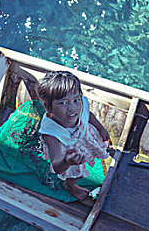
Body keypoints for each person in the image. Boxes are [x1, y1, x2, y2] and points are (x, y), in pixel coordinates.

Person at [38, 71, 111, 200]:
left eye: (76, 100)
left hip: (84, 138)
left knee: (88, 158)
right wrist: (67, 161)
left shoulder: (80, 105)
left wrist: (100, 129)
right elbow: (56, 166)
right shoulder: (51, 133)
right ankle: (70, 185)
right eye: (63, 103)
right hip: (67, 153)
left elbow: (87, 115)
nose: (72, 108)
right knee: (76, 172)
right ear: (48, 107)